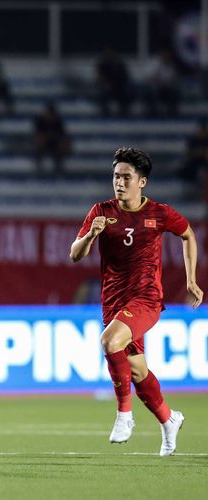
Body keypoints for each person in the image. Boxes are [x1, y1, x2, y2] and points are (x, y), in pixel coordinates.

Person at [70, 147, 202, 456]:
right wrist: (90, 235)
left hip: (146, 298)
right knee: (137, 370)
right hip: (113, 302)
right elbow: (74, 255)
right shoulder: (101, 211)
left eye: (127, 177)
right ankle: (169, 419)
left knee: (109, 341)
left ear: (142, 182)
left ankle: (124, 416)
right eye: (116, 176)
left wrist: (191, 280)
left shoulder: (158, 214)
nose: (119, 183)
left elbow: (188, 235)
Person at [33, 102, 72, 175]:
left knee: (59, 150)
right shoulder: (40, 122)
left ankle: (59, 168)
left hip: (54, 142)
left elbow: (62, 134)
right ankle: (38, 167)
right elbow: (37, 134)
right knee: (39, 148)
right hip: (43, 142)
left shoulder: (58, 122)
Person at [143, 49, 180, 117]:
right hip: (155, 88)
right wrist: (156, 79)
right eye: (165, 56)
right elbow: (148, 78)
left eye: (168, 56)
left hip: (166, 88)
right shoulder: (154, 63)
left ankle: (171, 114)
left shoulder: (170, 65)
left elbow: (173, 78)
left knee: (174, 93)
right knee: (153, 93)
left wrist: (168, 82)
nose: (166, 58)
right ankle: (153, 114)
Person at [96, 48, 131, 116]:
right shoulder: (103, 65)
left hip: (119, 87)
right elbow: (100, 78)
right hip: (107, 88)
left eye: (111, 54)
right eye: (108, 54)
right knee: (103, 96)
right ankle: (105, 113)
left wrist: (119, 84)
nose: (110, 56)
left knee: (125, 95)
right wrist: (106, 84)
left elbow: (125, 77)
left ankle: (123, 113)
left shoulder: (120, 65)